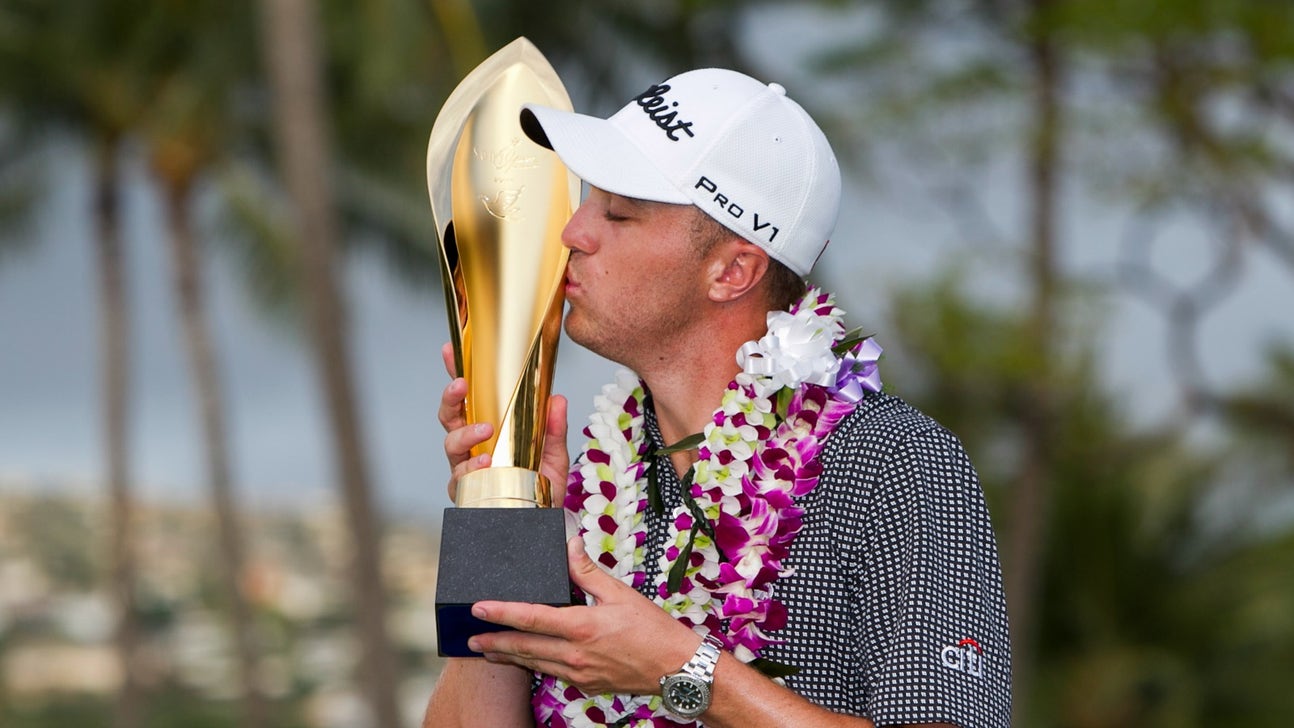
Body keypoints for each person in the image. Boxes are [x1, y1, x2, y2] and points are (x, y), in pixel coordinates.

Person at [424, 68, 1011, 728]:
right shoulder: (592, 483)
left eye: (618, 213)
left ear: (731, 271)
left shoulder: (892, 462)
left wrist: (683, 669)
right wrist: (506, 510)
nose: (572, 233)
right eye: (586, 201)